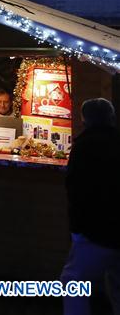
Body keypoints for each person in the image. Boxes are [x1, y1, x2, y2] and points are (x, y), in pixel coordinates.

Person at [60, 98, 120, 315]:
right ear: (111, 117)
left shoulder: (84, 146)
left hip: (96, 229)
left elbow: (76, 189)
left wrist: (77, 230)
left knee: (73, 281)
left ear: (84, 120)